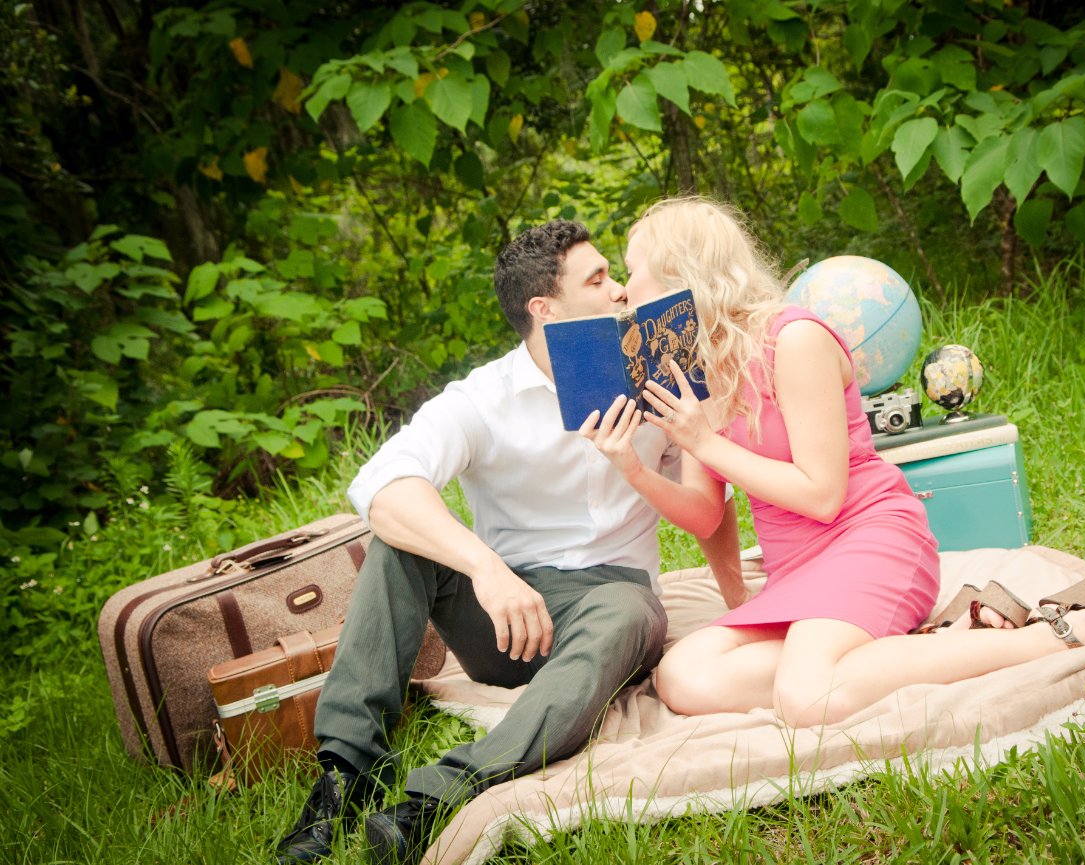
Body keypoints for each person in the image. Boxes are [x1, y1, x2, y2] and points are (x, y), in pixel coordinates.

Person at [582, 196, 1085, 728]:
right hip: (796, 571)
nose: (624, 291)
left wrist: (705, 442)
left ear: (683, 273)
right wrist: (631, 467)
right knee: (683, 678)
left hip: (868, 538)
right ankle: (905, 653)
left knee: (807, 699)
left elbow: (821, 495)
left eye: (633, 269)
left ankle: (1048, 639)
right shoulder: (696, 372)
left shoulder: (793, 340)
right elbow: (707, 515)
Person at [271, 218, 741, 865]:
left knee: (630, 609)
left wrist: (738, 599)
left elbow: (711, 504)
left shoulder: (659, 369)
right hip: (508, 621)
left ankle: (436, 797)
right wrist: (485, 567)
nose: (619, 292)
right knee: (400, 542)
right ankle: (345, 772)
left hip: (614, 606)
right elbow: (381, 484)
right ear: (545, 308)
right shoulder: (484, 397)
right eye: (598, 280)